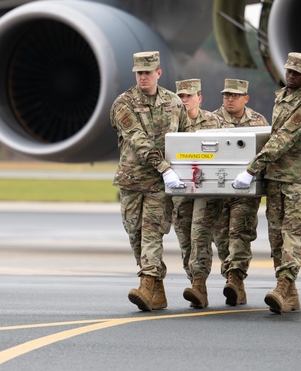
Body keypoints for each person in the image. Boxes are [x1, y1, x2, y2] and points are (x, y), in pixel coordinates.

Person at [232, 52, 301, 314]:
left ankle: (283, 286)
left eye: (297, 72)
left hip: (298, 181)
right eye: (289, 70)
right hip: (276, 179)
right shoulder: (282, 98)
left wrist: (251, 169)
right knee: (276, 237)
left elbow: (283, 139)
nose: (291, 75)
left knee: (292, 234)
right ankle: (290, 294)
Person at [110, 51, 190, 311]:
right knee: (135, 234)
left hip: (160, 185)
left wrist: (182, 172)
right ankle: (158, 290)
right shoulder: (124, 103)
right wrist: (165, 167)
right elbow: (136, 138)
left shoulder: (174, 103)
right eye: (139, 73)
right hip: (133, 181)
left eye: (147, 72)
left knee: (152, 235)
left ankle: (146, 285)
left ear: (159, 72)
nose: (143, 77)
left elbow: (187, 138)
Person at [207, 78, 269, 306]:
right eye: (226, 95)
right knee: (221, 237)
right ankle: (232, 278)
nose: (229, 99)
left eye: (234, 95)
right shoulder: (211, 120)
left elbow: (265, 153)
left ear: (246, 98)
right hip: (219, 190)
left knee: (239, 235)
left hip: (245, 191)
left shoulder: (258, 122)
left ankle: (235, 279)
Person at [170, 78, 221, 309]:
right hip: (180, 189)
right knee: (184, 237)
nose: (184, 100)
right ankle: (194, 283)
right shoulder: (171, 122)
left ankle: (199, 284)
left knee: (199, 234)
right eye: (180, 96)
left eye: (188, 96)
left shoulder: (212, 121)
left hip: (205, 188)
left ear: (199, 98)